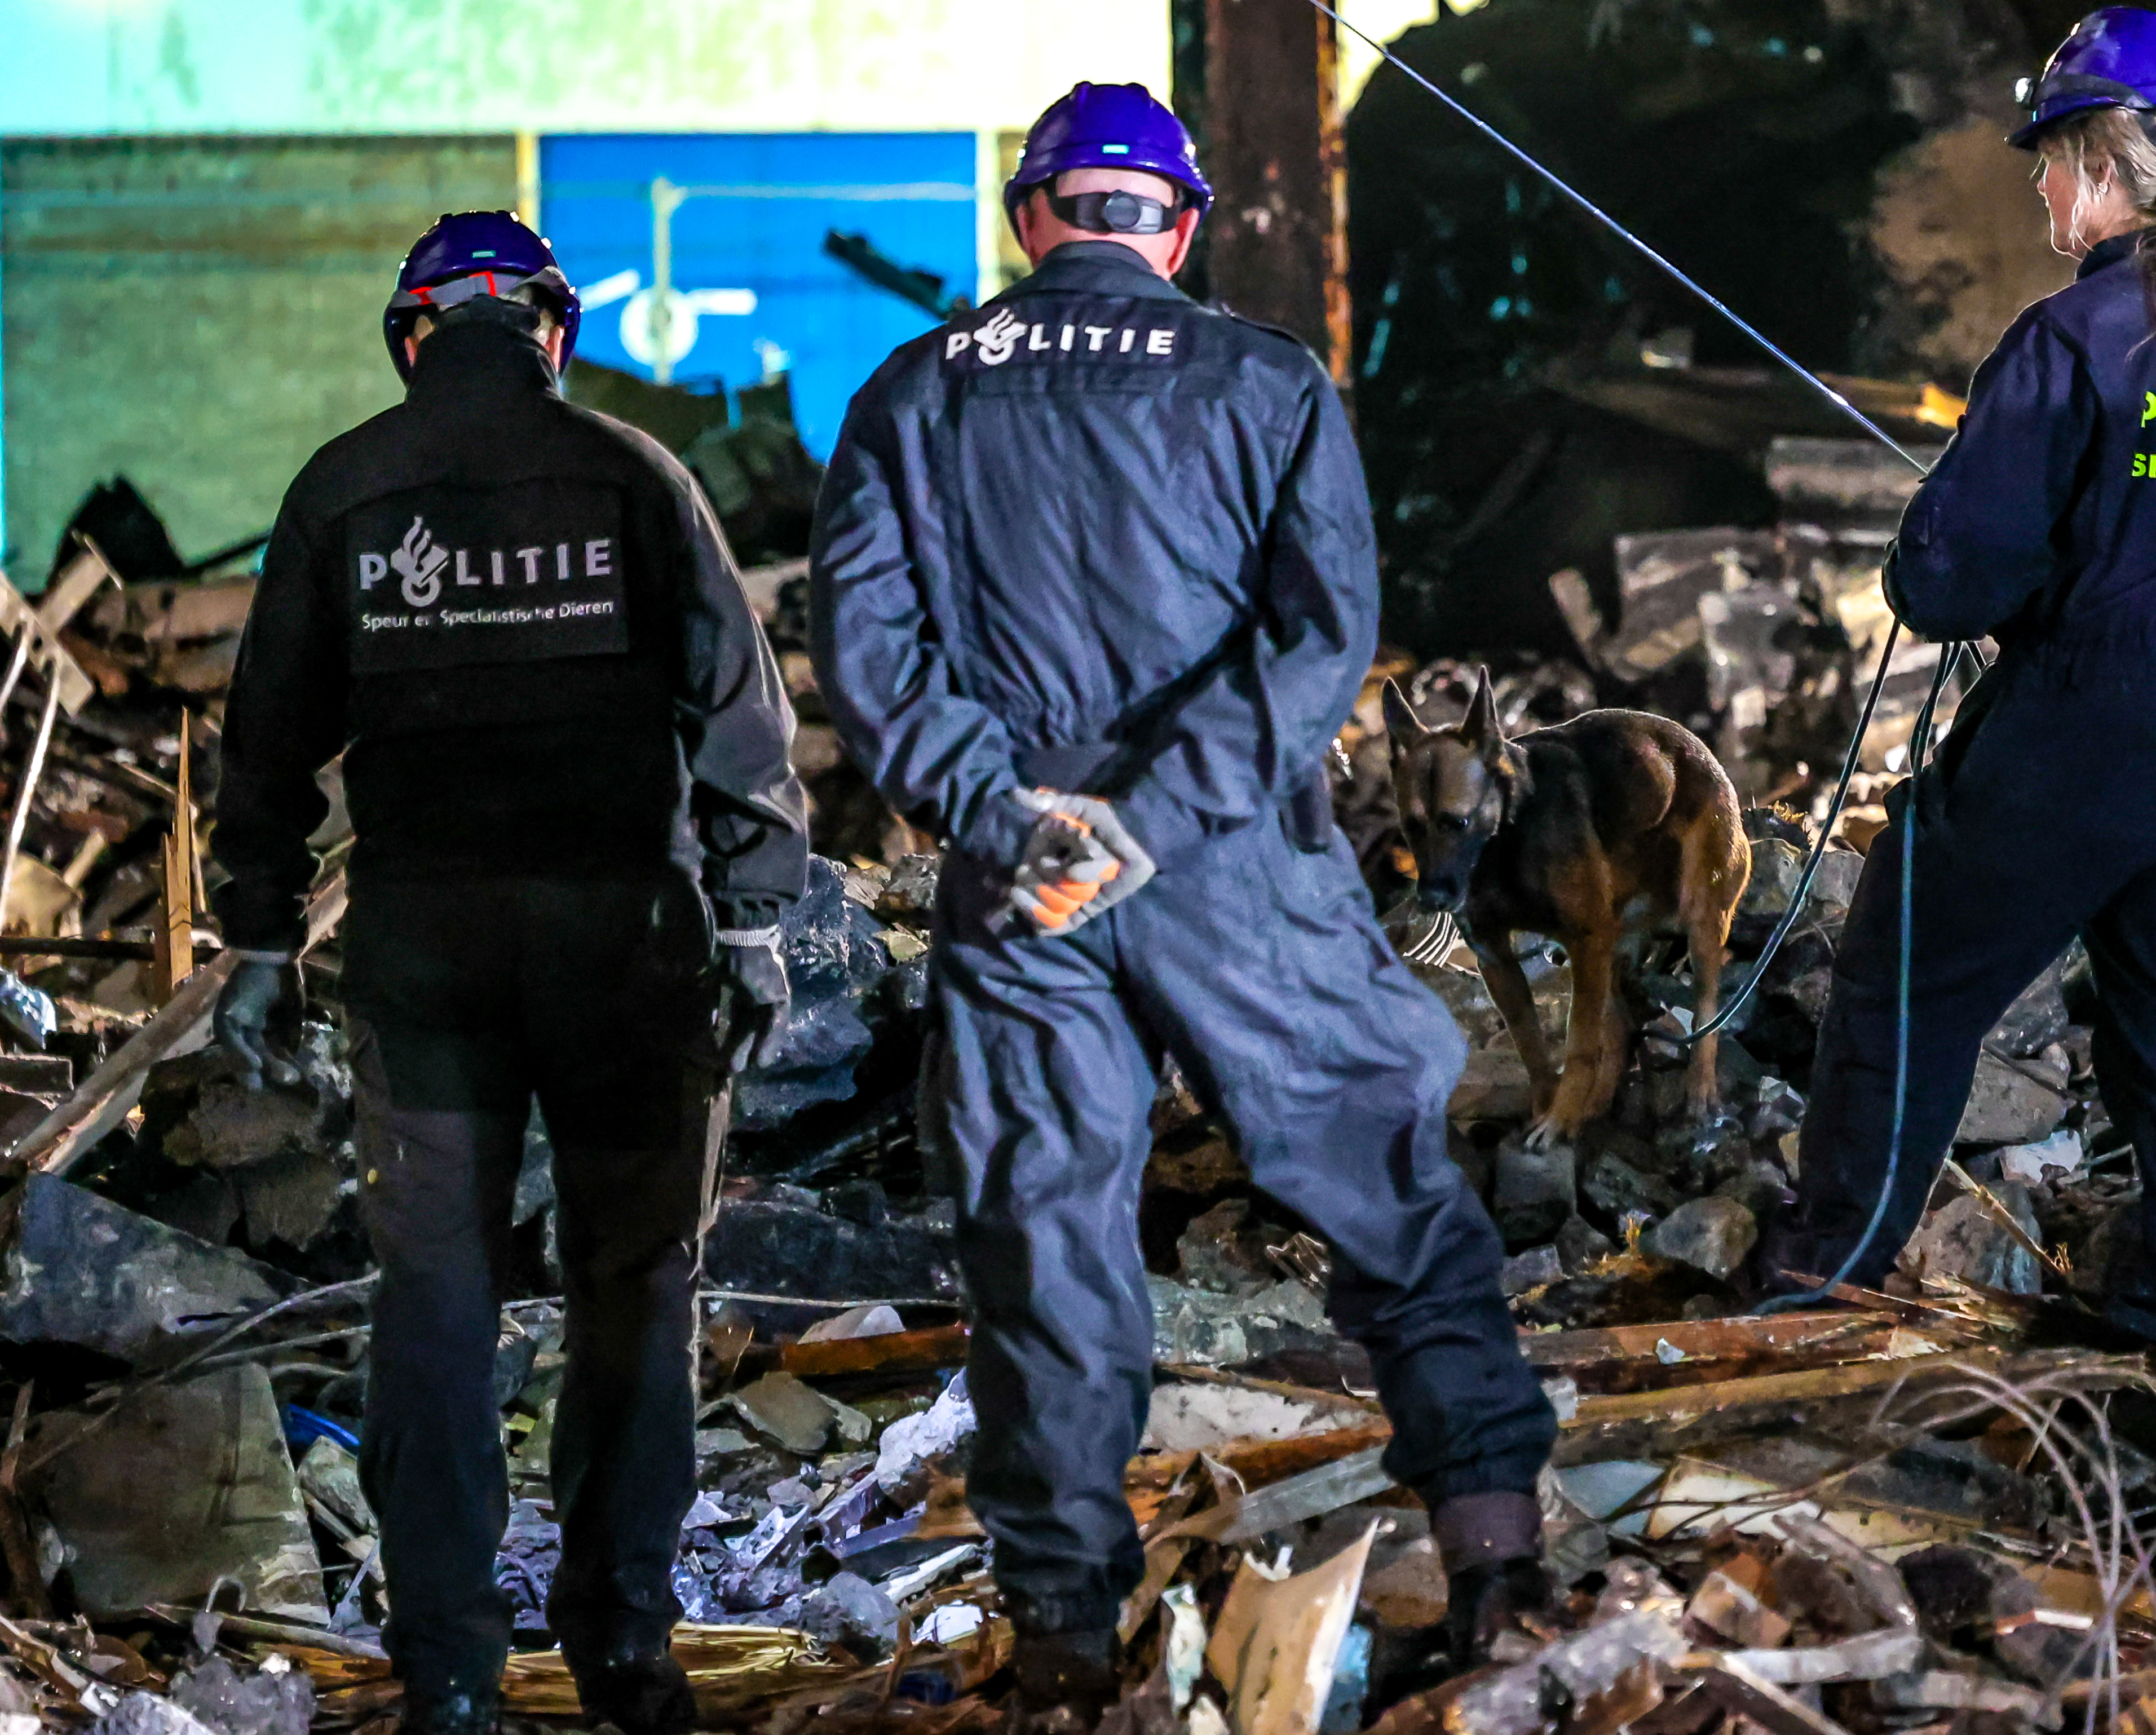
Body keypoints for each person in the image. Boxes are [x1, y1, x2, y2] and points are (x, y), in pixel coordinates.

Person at [809, 83, 1559, 1710]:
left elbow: (866, 653)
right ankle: (1501, 1567)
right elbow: (1323, 638)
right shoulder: (1265, 379)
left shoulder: (915, 390)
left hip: (1024, 878)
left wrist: (1012, 814)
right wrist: (1153, 815)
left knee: (1045, 1242)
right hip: (1230, 861)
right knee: (1390, 1190)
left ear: (1032, 218)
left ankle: (1064, 1647)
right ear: (1181, 225)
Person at [212, 210, 809, 1735]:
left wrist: (262, 939)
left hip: (426, 959)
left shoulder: (344, 489)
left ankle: (453, 1676)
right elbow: (741, 720)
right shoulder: (639, 476)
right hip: (629, 950)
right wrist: (755, 923)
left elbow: (265, 743)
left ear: (413, 336)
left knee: (434, 1299)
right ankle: (627, 1650)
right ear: (553, 331)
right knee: (636, 1287)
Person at [1777, 7, 2156, 1472]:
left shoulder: (2067, 340)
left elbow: (1948, 581)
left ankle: (1820, 1291)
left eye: (2050, 160)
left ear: (2104, 163)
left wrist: (1968, 555)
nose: (2039, 187)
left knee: (1905, 975)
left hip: (2095, 721)